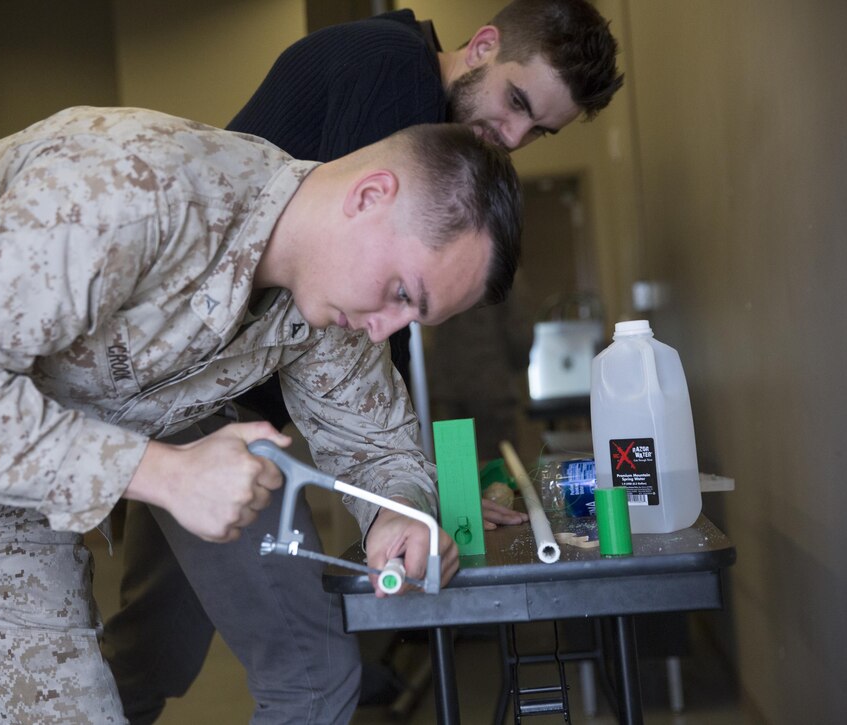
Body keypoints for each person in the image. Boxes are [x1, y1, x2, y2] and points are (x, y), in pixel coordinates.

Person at [0, 106, 522, 723]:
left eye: (410, 320)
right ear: (369, 196)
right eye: (401, 291)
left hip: (8, 472)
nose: (386, 328)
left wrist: (401, 514)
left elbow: (380, 446)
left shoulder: (329, 309)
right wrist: (162, 472)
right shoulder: (136, 187)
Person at [103, 0, 623, 722]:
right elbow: (367, 325)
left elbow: (366, 346)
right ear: (483, 45)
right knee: (305, 672)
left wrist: (415, 493)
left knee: (152, 645)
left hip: (209, 399)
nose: (512, 136)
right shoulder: (396, 79)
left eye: (537, 130)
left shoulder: (398, 82)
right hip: (206, 402)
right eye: (516, 102)